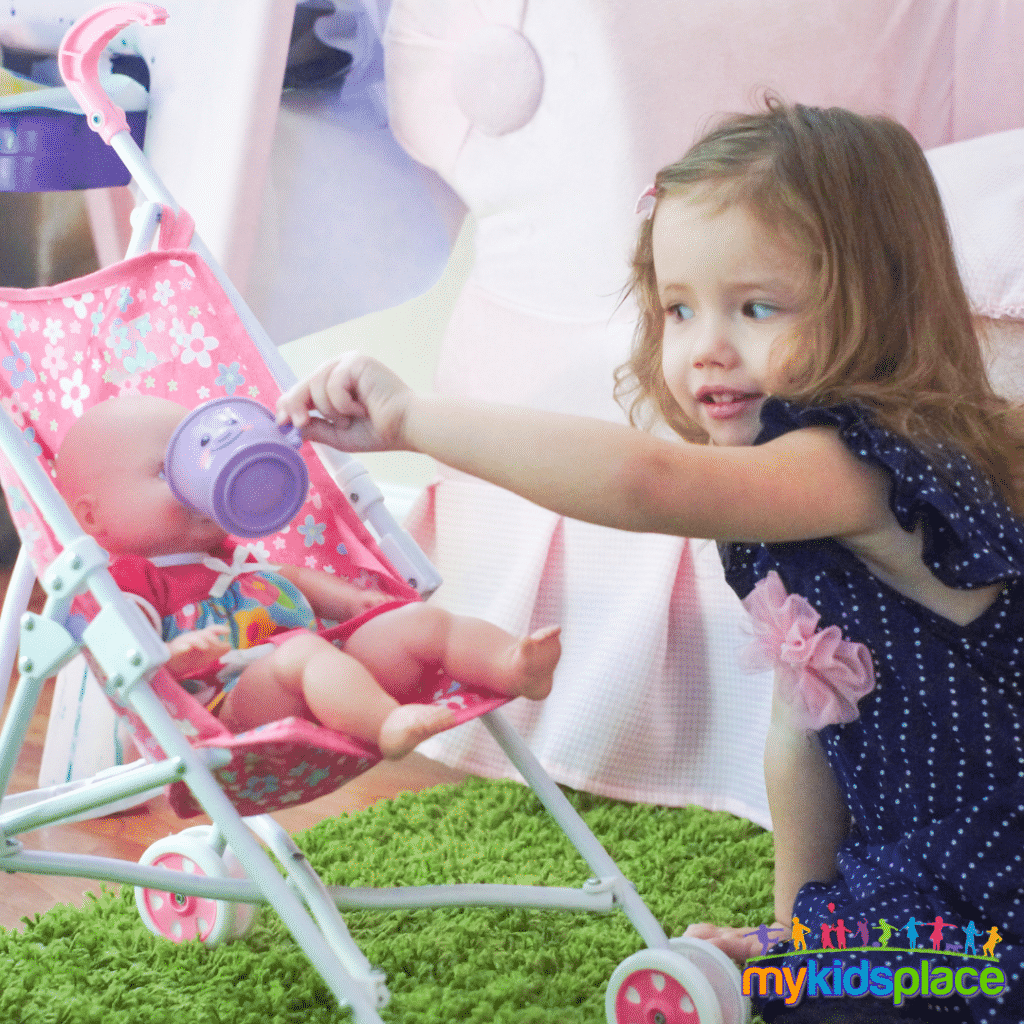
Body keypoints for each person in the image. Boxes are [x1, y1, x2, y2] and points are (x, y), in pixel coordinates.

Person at [277, 99, 1022, 1022]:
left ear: (877, 302)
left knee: (930, 993)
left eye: (757, 307)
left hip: (1000, 870)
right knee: (843, 971)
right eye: (678, 308)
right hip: (928, 855)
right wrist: (800, 924)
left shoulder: (858, 468)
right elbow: (805, 731)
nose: (706, 346)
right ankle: (815, 967)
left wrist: (410, 419)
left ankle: (818, 979)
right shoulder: (780, 483)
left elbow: (639, 481)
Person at [54, 394, 560, 761]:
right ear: (93, 517)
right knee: (301, 656)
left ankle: (510, 665)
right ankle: (386, 722)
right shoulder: (130, 579)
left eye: (196, 462)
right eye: (169, 473)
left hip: (330, 672)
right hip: (233, 708)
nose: (197, 481)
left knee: (415, 620)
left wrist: (350, 602)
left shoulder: (227, 554)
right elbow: (122, 653)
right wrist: (176, 657)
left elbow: (287, 576)